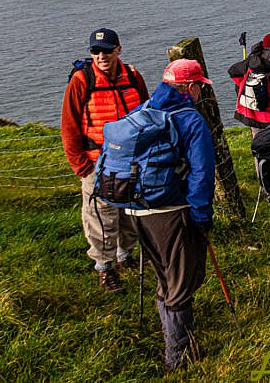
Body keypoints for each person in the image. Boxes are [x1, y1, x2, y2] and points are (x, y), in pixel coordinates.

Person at [126, 59, 215, 371]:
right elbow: (202, 175)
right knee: (179, 283)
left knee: (164, 275)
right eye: (200, 86)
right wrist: (202, 217)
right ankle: (179, 358)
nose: (201, 91)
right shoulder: (191, 120)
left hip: (135, 209)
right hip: (171, 211)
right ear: (189, 87)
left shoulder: (144, 109)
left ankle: (175, 341)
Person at [61, 27, 149, 291]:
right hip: (97, 162)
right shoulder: (81, 80)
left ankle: (125, 255)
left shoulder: (133, 77)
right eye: (96, 51)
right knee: (101, 216)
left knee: (130, 212)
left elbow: (147, 114)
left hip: (131, 161)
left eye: (107, 50)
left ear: (118, 50)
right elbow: (70, 126)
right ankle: (105, 267)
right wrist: (82, 167)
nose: (101, 56)